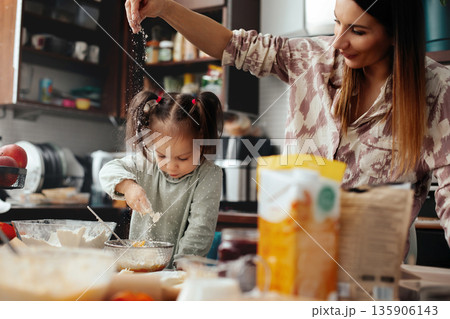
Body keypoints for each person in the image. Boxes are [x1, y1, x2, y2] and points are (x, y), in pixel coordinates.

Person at [124, 0, 450, 252]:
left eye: (358, 31)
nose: (338, 42)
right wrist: (165, 7)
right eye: (337, 22)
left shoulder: (439, 93)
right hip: (292, 254)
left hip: (371, 270)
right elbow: (229, 45)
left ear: (397, 34)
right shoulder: (312, 58)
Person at [99, 91, 223, 264]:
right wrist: (128, 187)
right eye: (162, 155)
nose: (171, 166)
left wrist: (182, 263)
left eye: (183, 158)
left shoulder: (209, 174)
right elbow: (109, 170)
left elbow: (200, 228)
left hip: (182, 268)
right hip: (139, 263)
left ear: (201, 142)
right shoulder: (146, 162)